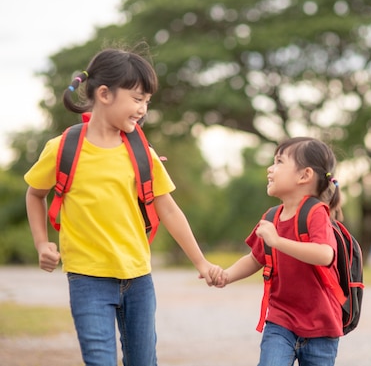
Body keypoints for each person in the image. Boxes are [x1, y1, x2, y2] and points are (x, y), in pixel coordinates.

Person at [24, 45, 223, 366]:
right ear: (104, 94)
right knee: (99, 360)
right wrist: (41, 242)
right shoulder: (63, 148)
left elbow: (169, 209)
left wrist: (200, 262)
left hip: (139, 280)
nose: (143, 108)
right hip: (87, 279)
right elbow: (35, 193)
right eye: (137, 99)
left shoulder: (142, 151)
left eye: (147, 101)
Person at [215, 137, 344, 366]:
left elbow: (325, 254)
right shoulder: (271, 217)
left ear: (304, 176)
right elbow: (255, 259)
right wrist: (227, 275)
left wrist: (278, 241)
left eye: (279, 162)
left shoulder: (316, 213)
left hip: (321, 326)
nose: (270, 169)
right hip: (280, 321)